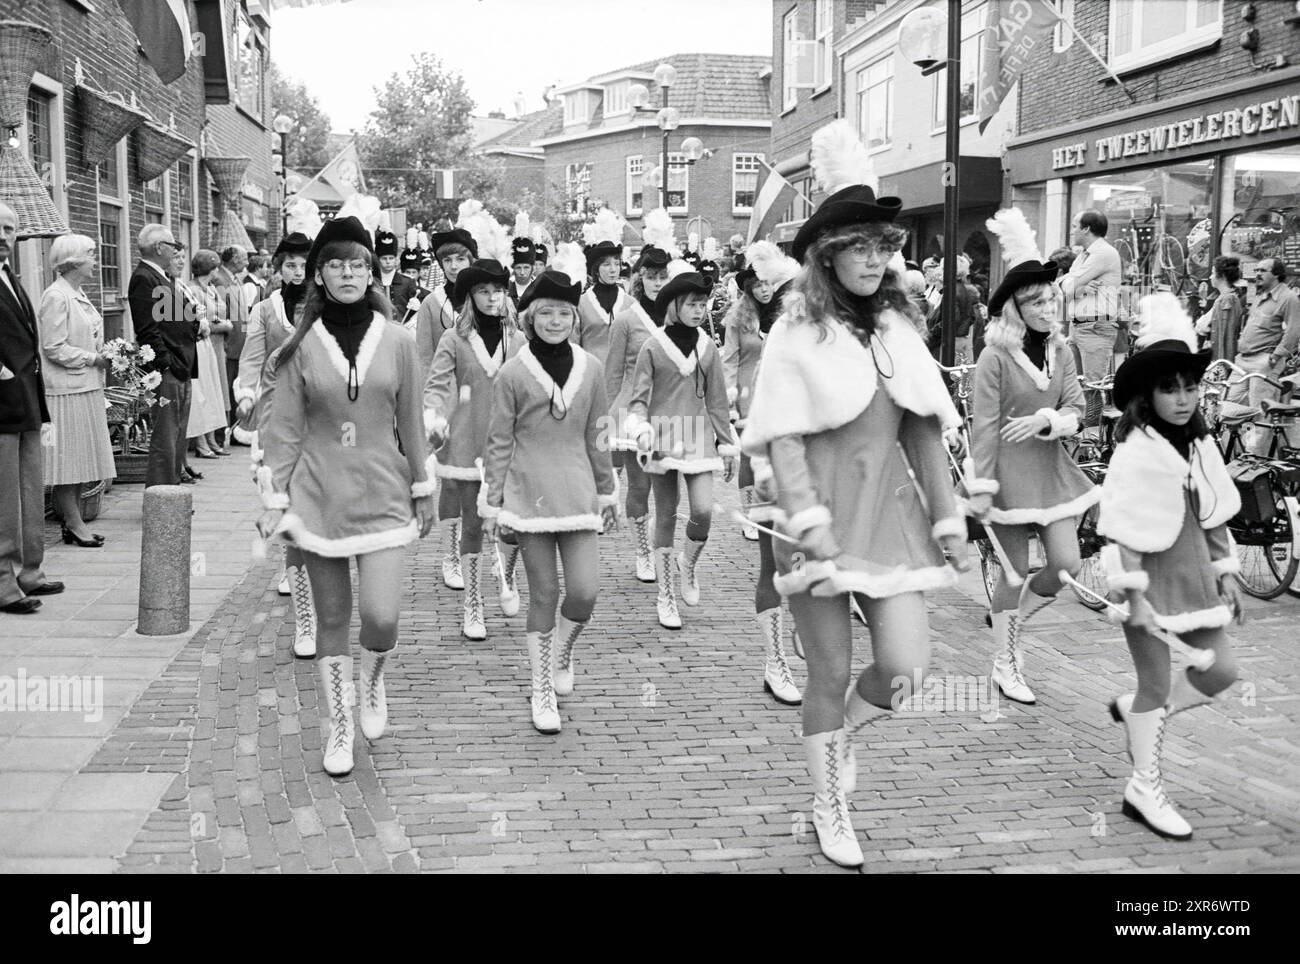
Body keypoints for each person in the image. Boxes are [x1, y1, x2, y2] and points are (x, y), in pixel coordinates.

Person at [740, 120, 967, 868]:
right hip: (814, 522)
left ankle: (838, 744)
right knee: (829, 671)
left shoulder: (900, 329)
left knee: (906, 671)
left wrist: (949, 516)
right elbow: (782, 436)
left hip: (890, 521)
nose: (874, 258)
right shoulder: (795, 332)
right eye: (859, 246)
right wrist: (804, 516)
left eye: (884, 246)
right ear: (828, 254)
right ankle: (829, 799)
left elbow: (922, 431)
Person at [259, 216, 434, 777]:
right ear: (319, 276)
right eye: (335, 264)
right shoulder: (300, 346)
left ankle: (373, 681)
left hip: (384, 491)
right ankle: (339, 723)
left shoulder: (401, 340)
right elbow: (284, 429)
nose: (348, 273)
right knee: (333, 620)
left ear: (372, 272)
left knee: (381, 620)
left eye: (358, 263)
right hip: (319, 499)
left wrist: (423, 484)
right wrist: (274, 500)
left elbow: (411, 420)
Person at [1099, 293, 1243, 840]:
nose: (1183, 399)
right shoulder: (1135, 452)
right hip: (1151, 583)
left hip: (1198, 579)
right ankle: (1144, 785)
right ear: (1147, 394)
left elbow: (1214, 513)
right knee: (1155, 688)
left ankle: (1137, 713)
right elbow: (1119, 526)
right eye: (1169, 388)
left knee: (1221, 670)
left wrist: (1228, 570)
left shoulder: (1201, 442)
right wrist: (1132, 596)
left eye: (1190, 386)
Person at [480, 253, 617, 734]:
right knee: (545, 594)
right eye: (545, 312)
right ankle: (540, 686)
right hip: (527, 495)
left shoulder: (593, 368)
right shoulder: (512, 374)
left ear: (574, 318)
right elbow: (498, 442)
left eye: (564, 312)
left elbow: (599, 431)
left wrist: (608, 492)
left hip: (578, 492)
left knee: (584, 595)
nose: (555, 320)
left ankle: (562, 652)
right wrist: (493, 503)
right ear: (529, 317)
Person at [967, 209, 1100, 705]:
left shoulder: (1063, 351)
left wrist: (1048, 421)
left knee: (1065, 564)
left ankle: (1011, 628)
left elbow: (1076, 407)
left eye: (1050, 299)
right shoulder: (994, 357)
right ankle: (1005, 661)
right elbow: (982, 426)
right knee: (1014, 572)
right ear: (1015, 310)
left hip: (1049, 470)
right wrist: (980, 486)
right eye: (1036, 302)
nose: (1047, 309)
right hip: (1004, 473)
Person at [626, 262, 738, 630]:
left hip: (699, 439)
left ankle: (688, 564)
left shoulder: (708, 347)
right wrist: (639, 427)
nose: (698, 310)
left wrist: (727, 443)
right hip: (660, 440)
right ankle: (666, 594)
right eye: (691, 303)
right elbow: (638, 398)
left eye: (702, 304)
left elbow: (718, 401)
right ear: (675, 305)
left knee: (703, 511)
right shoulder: (652, 346)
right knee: (667, 515)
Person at [424, 257, 523, 639]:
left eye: (498, 290)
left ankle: (508, 573)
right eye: (483, 291)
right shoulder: (454, 338)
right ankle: (473, 605)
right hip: (466, 442)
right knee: (474, 522)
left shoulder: (518, 338)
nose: (492, 298)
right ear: (470, 296)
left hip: (509, 443)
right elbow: (436, 384)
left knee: (512, 524)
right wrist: (433, 416)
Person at [722, 240, 802, 706]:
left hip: (825, 465)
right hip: (761, 416)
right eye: (764, 284)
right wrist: (731, 402)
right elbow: (731, 359)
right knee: (776, 564)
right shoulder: (743, 319)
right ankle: (776, 663)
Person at [237, 230, 316, 656]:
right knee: (281, 500)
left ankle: (306, 580)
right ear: (279, 268)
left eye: (304, 265)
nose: (296, 271)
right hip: (274, 415)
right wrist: (245, 393)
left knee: (310, 505)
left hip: (317, 418)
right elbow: (251, 357)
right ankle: (299, 588)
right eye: (289, 265)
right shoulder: (265, 309)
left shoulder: (323, 307)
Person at [0, 200, 63, 614]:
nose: (3, 237)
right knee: (3, 494)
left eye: (9, 229)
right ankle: (3, 582)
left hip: (25, 397)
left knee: (27, 487)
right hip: (1, 400)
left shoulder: (10, 275)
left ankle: (29, 570)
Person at [37, 234, 116, 547]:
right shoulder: (56, 296)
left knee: (84, 458)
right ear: (74, 261)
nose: (95, 261)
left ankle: (74, 522)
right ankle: (72, 522)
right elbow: (52, 346)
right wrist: (93, 358)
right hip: (66, 390)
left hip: (86, 386)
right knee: (68, 460)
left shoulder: (76, 293)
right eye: (91, 255)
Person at [413, 227, 479, 589]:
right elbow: (424, 359)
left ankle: (480, 549)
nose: (454, 266)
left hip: (485, 399)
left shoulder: (489, 296)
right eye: (447, 260)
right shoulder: (431, 303)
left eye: (461, 259)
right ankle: (450, 555)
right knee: (452, 481)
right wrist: (430, 410)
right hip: (448, 402)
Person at [606, 242, 671, 583]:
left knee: (669, 489)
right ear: (640, 279)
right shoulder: (627, 320)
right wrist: (601, 418)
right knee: (640, 485)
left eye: (663, 276)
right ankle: (643, 551)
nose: (658, 283)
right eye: (651, 276)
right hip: (634, 411)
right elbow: (613, 373)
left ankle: (663, 547)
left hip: (672, 410)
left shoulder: (678, 314)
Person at [130, 223, 198, 487]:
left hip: (180, 366)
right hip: (167, 371)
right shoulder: (144, 278)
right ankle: (161, 495)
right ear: (159, 247)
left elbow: (173, 318)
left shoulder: (162, 277)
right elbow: (148, 329)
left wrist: (193, 322)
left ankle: (172, 495)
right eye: (172, 245)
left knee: (177, 436)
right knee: (165, 439)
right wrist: (165, 364)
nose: (177, 250)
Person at [1228, 257, 1300, 454]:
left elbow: (1294, 330)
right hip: (1242, 360)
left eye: (1262, 270)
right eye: (1257, 270)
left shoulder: (1288, 298)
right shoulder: (1261, 296)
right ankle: (1237, 457)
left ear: (1276, 274)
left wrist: (1277, 356)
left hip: (1264, 361)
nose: (1257, 273)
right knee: (1229, 407)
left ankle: (1257, 467)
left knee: (1262, 414)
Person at [1060, 210, 1123, 430]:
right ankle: (1082, 437)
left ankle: (1091, 440)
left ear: (1087, 229)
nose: (1072, 230)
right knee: (1078, 387)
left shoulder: (1103, 253)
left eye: (1075, 225)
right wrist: (1078, 285)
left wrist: (1073, 284)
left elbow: (1067, 286)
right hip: (1080, 327)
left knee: (1092, 388)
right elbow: (1063, 286)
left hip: (1095, 327)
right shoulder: (1083, 255)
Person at [183, 249, 232, 461]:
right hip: (201, 344)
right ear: (210, 267)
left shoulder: (211, 288)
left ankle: (212, 438)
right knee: (202, 392)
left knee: (215, 392)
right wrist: (224, 326)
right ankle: (202, 442)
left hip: (216, 347)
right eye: (215, 266)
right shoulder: (193, 289)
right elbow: (195, 320)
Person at [574, 237, 632, 365]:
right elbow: (573, 347)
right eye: (606, 264)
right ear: (596, 268)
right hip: (591, 375)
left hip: (622, 379)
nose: (613, 269)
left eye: (617, 264)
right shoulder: (581, 303)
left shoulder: (630, 303)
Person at [216, 247, 250, 445]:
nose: (246, 262)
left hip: (239, 344)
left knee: (235, 388)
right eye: (244, 258)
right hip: (229, 345)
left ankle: (235, 429)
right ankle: (227, 431)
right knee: (227, 389)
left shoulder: (236, 279)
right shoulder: (220, 280)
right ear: (234, 259)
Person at [1197, 256, 1243, 363]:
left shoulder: (1227, 300)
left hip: (1218, 359)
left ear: (1221, 276)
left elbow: (1224, 336)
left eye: (1213, 273)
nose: (1210, 277)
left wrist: (1221, 363)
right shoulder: (1226, 298)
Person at [374, 230, 417, 323]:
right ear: (378, 259)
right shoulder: (373, 281)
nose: (388, 261)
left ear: (396, 259)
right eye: (384, 258)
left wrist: (416, 308)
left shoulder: (408, 282)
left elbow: (416, 315)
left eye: (391, 258)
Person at [396, 247, 430, 328]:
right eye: (407, 272)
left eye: (414, 272)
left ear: (419, 273)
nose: (410, 276)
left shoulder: (427, 294)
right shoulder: (396, 291)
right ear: (402, 273)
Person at [507, 237, 535, 309]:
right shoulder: (505, 292)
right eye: (518, 268)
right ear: (513, 268)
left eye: (526, 267)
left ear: (533, 268)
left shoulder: (540, 291)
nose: (522, 273)